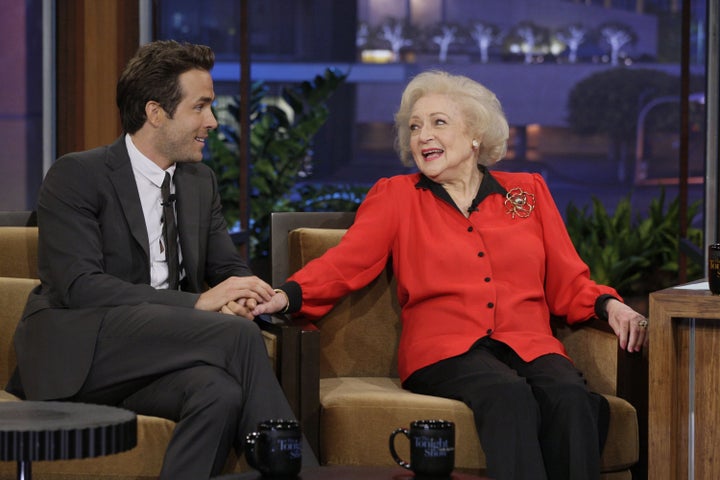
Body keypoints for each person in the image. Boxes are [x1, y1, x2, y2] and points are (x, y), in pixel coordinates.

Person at [253, 70, 648, 480]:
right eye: (415, 127)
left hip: (529, 342)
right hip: (444, 350)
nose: (423, 135)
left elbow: (568, 278)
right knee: (508, 394)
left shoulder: (526, 192)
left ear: (476, 134)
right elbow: (347, 261)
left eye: (439, 122)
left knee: (569, 396)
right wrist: (287, 294)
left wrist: (609, 305)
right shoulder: (397, 195)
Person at [7, 40, 315, 480]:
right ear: (156, 113)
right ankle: (308, 474)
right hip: (82, 353)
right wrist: (198, 304)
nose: (212, 121)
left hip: (157, 355)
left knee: (219, 392)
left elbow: (225, 266)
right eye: (201, 107)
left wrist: (245, 293)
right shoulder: (77, 175)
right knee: (238, 338)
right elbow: (78, 286)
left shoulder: (198, 181)